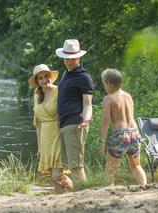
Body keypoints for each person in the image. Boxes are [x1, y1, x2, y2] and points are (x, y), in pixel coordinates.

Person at [28, 64, 73, 193]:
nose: (44, 80)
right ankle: (62, 199)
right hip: (45, 138)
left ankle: (78, 190)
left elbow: (67, 112)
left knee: (57, 175)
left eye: (47, 76)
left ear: (51, 77)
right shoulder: (37, 95)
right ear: (37, 81)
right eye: (41, 78)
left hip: (58, 134)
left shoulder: (59, 91)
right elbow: (38, 123)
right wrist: (40, 147)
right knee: (53, 177)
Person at [98, 68, 147, 186]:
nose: (104, 86)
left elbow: (105, 121)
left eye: (104, 84)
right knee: (136, 165)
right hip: (134, 133)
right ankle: (144, 187)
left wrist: (102, 142)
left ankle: (107, 192)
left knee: (110, 168)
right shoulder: (128, 96)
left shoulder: (108, 98)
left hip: (120, 135)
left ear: (109, 84)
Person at [55, 39, 94, 185]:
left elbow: (88, 104)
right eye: (67, 57)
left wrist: (86, 119)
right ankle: (77, 195)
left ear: (79, 57)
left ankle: (84, 196)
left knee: (76, 165)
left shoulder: (84, 77)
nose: (69, 61)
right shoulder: (66, 75)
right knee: (69, 166)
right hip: (64, 124)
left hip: (76, 124)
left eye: (72, 58)